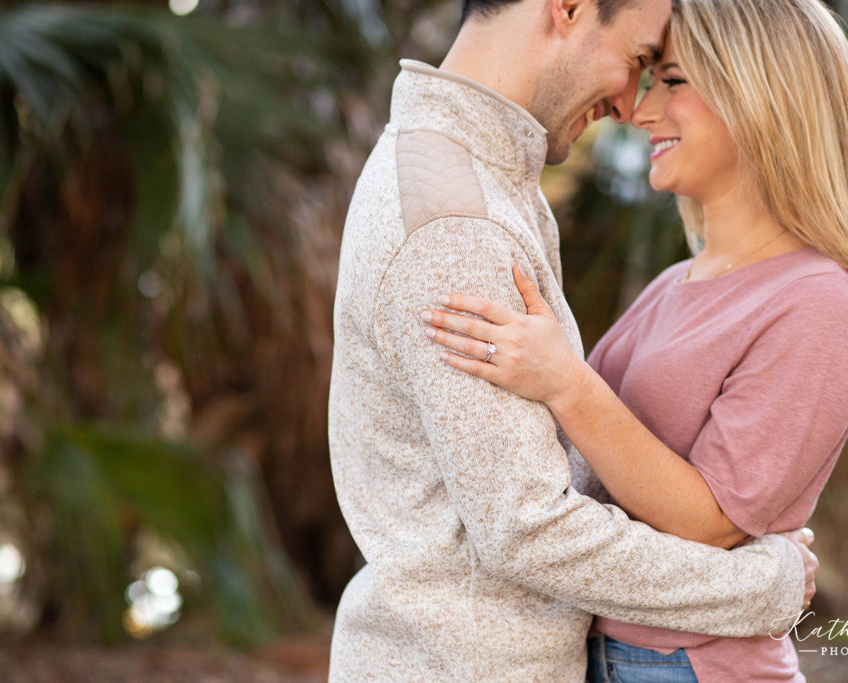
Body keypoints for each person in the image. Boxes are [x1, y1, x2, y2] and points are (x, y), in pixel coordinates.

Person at [328, 0, 820, 680]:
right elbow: (529, 528)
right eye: (638, 60)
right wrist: (757, 587)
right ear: (567, 8)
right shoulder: (458, 225)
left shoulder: (466, 176)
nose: (628, 103)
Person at [422, 0, 848, 680]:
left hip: (687, 664)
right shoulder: (678, 280)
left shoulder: (821, 303)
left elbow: (712, 520)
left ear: (762, 92)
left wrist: (565, 380)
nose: (641, 112)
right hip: (605, 651)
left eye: (673, 81)